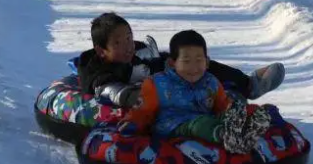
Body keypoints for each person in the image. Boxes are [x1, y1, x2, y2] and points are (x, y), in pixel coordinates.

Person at [77, 12, 285, 109]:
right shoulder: (98, 72)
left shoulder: (138, 52)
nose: (128, 45)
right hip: (151, 99)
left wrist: (185, 61)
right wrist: (133, 98)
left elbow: (161, 60)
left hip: (162, 79)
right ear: (102, 51)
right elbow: (108, 90)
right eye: (119, 43)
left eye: (129, 37)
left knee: (193, 61)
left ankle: (249, 85)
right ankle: (223, 102)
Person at [118, 30, 272, 154]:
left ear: (207, 62)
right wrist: (132, 122)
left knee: (238, 111)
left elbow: (222, 105)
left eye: (199, 60)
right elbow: (143, 109)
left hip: (205, 119)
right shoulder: (157, 84)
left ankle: (249, 127)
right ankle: (229, 137)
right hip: (172, 126)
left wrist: (236, 111)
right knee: (201, 124)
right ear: (172, 63)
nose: (193, 67)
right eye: (186, 61)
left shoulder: (210, 82)